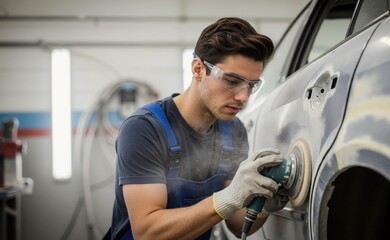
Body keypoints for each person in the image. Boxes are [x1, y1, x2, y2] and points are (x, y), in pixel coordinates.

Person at [107, 17, 289, 240]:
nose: (243, 96)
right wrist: (227, 198)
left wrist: (264, 206)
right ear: (198, 69)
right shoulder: (144, 128)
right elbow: (147, 232)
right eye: (232, 80)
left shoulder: (233, 131)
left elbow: (236, 222)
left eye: (251, 85)